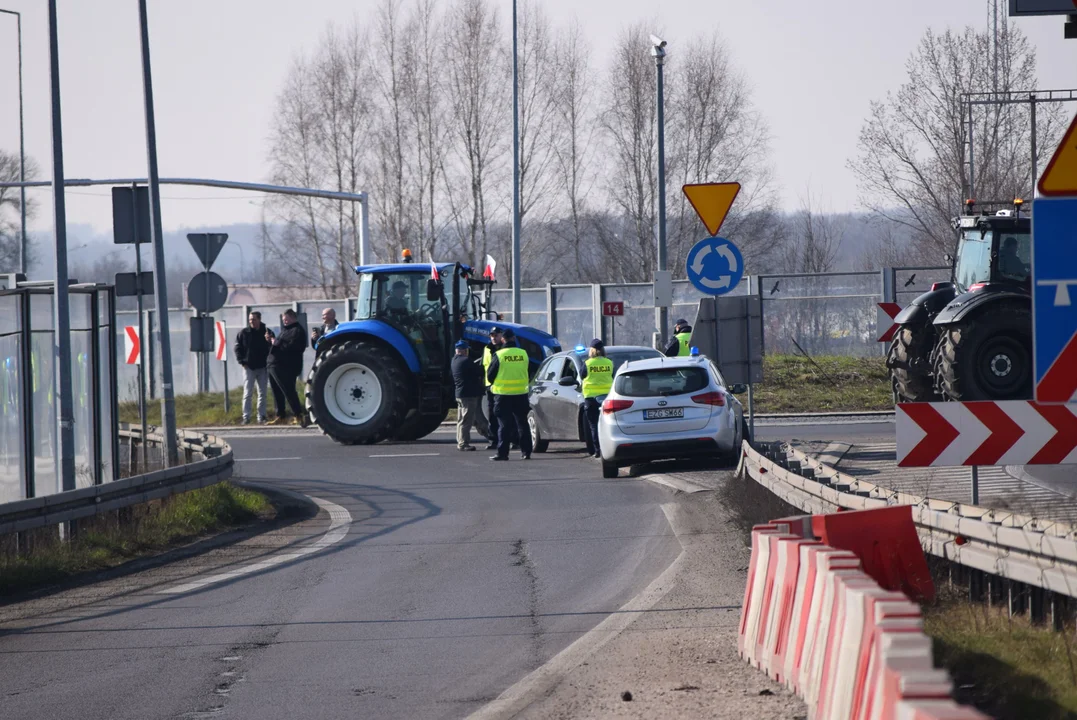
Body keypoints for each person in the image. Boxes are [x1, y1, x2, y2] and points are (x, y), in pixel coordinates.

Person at [486, 328, 533, 461]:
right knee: (522, 424)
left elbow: (490, 376)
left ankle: (502, 453)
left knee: (504, 425)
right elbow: (529, 371)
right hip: (521, 394)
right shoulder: (523, 353)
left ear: (503, 339)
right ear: (514, 338)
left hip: (503, 395)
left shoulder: (500, 355)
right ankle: (526, 452)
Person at [266, 309, 309, 426]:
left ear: (293, 318)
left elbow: (293, 348)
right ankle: (281, 415)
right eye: (283, 319)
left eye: (286, 319)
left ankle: (298, 415)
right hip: (274, 364)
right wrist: (271, 341)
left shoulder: (297, 331)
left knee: (288, 390)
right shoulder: (285, 330)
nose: (284, 321)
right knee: (276, 391)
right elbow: (280, 345)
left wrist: (277, 343)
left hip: (286, 366)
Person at [451, 340, 491, 451]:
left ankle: (460, 441)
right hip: (468, 395)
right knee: (466, 420)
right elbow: (480, 371)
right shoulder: (466, 361)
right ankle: (464, 443)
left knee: (461, 419)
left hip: (460, 394)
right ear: (464, 350)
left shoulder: (454, 361)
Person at [234, 311, 271, 424]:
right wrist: (242, 361)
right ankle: (246, 417)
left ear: (259, 319)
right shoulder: (244, 333)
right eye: (250, 319)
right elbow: (237, 348)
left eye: (254, 319)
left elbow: (273, 347)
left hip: (262, 367)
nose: (252, 322)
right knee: (248, 393)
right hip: (248, 367)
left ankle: (261, 416)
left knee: (262, 393)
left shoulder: (266, 332)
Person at [579, 339, 614, 459]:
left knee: (593, 425)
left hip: (591, 398)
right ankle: (607, 449)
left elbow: (582, 375)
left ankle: (597, 450)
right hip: (606, 398)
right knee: (607, 425)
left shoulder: (588, 363)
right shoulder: (609, 362)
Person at [482, 326, 505, 450]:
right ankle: (493, 441)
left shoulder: (505, 350)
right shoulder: (486, 348)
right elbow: (484, 366)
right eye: (491, 335)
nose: (493, 338)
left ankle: (511, 439)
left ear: (501, 336)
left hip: (503, 387)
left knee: (505, 415)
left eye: (496, 335)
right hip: (490, 387)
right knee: (492, 416)